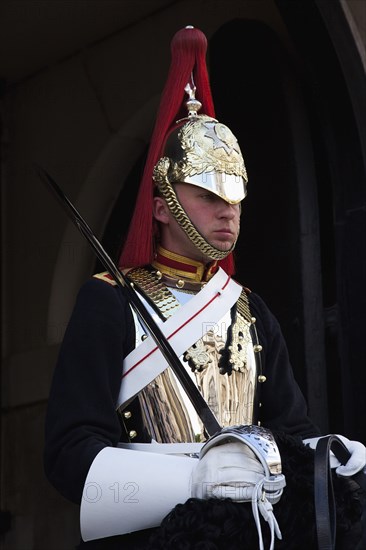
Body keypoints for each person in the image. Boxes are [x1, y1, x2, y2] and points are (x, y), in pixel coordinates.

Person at [44, 27, 366, 549]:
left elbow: (288, 427)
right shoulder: (109, 302)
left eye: (235, 195)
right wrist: (190, 481)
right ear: (163, 204)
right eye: (207, 194)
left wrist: (323, 456)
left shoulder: (250, 310)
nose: (227, 210)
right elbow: (67, 454)